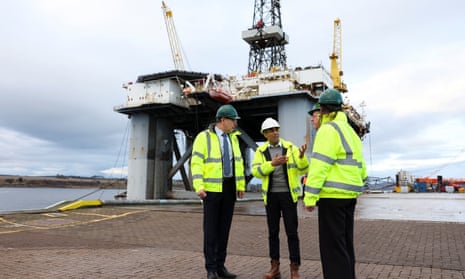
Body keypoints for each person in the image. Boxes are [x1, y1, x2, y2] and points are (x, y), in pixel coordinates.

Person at [303, 89, 367, 279]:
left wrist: (310, 197)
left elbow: (319, 165)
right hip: (349, 197)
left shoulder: (328, 130)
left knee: (332, 250)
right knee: (345, 246)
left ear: (323, 110)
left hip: (332, 197)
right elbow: (362, 168)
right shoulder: (351, 132)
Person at [191, 104, 246, 279]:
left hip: (229, 189)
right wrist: (199, 186)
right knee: (211, 231)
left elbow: (239, 163)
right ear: (223, 120)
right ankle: (211, 269)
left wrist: (241, 186)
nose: (235, 124)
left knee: (224, 230)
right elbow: (196, 163)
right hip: (212, 190)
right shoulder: (203, 137)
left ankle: (221, 266)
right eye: (233, 120)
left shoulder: (234, 138)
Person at [252, 117, 309, 279]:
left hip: (288, 195)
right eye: (271, 130)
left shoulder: (291, 147)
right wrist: (272, 164)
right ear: (265, 134)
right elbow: (256, 171)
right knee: (273, 232)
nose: (275, 132)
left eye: (276, 129)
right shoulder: (260, 151)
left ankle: (294, 268)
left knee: (292, 232)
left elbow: (304, 168)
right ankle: (275, 267)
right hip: (270, 197)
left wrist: (302, 156)